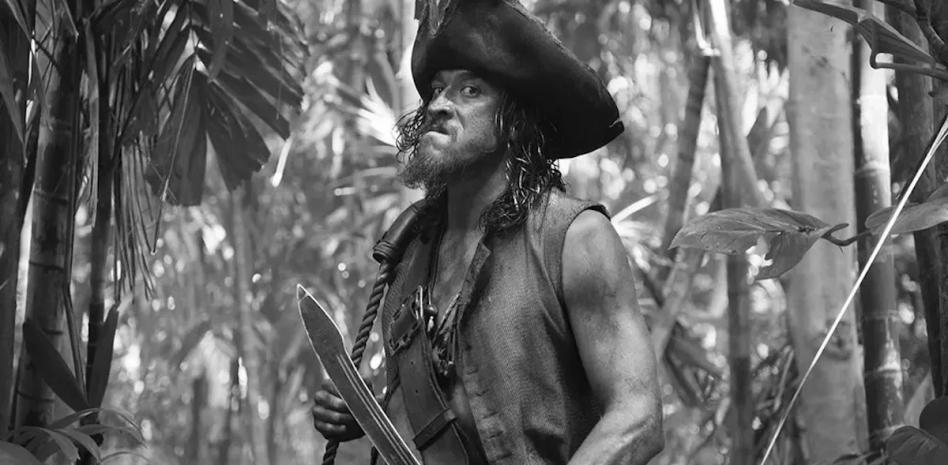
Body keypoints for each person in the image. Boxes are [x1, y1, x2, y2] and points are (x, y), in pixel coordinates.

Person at [312, 0, 663, 463]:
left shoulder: (575, 239)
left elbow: (637, 417)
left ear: (513, 122)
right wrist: (366, 410)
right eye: (437, 89)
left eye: (470, 91)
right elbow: (447, 405)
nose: (439, 104)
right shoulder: (410, 255)